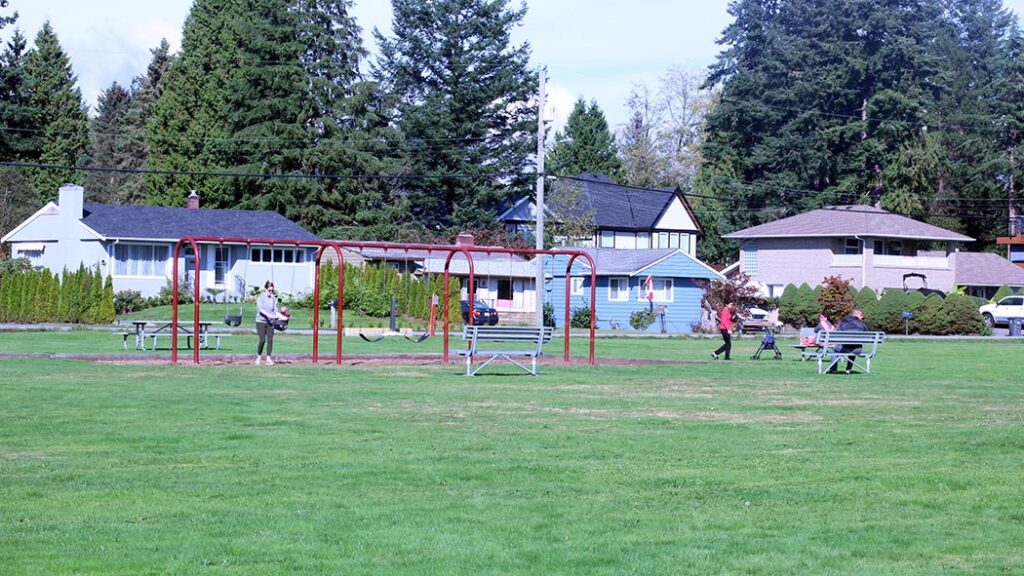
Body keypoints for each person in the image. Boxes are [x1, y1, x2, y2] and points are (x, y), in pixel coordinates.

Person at [828, 308, 867, 374]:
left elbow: (836, 334)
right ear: (857, 315)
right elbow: (866, 334)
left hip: (843, 348)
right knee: (854, 346)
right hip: (857, 350)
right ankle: (848, 369)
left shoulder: (843, 322)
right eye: (861, 315)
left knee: (834, 350)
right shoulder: (862, 324)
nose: (862, 317)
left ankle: (833, 369)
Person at [255, 280, 281, 365]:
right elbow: (261, 310)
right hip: (260, 321)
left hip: (270, 322)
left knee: (270, 340)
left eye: (272, 290)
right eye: (269, 290)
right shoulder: (260, 298)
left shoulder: (273, 298)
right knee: (262, 340)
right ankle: (259, 356)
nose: (270, 292)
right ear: (265, 289)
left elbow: (275, 310)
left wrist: (282, 316)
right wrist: (269, 315)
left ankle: (268, 359)